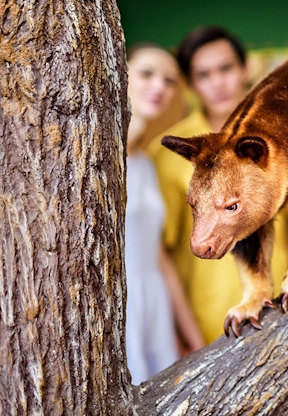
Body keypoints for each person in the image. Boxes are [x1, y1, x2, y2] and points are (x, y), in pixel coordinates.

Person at [150, 26, 288, 343]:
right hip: (204, 323)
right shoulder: (170, 153)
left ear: (244, 69)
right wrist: (184, 337)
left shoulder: (280, 139)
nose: (218, 83)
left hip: (276, 309)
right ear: (192, 85)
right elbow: (160, 254)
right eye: (204, 75)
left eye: (225, 69)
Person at [125, 44, 204, 385]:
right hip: (118, 305)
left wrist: (197, 343)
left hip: (153, 305)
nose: (159, 86)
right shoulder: (92, 161)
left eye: (169, 80)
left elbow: (159, 258)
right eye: (146, 74)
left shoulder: (144, 163)